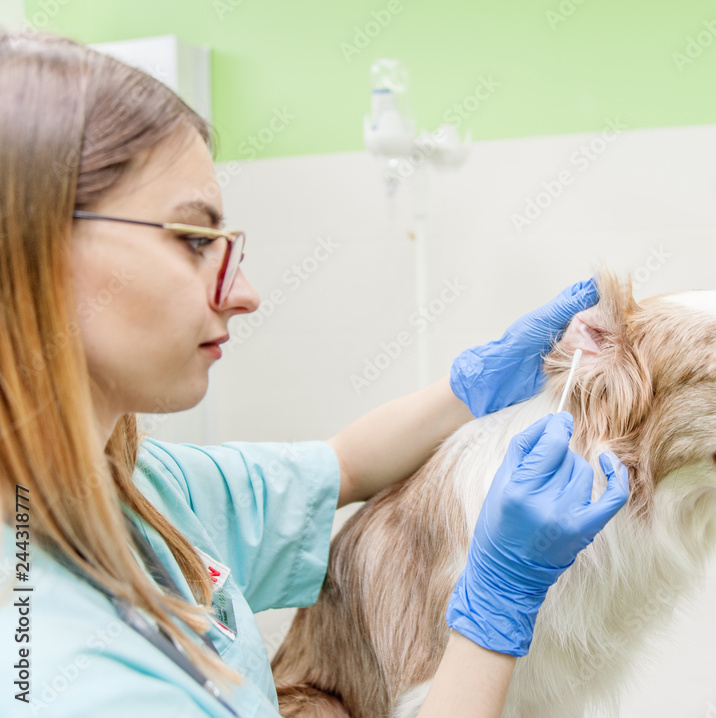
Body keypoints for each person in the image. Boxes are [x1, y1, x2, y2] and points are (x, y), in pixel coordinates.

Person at [0, 30, 629, 718]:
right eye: (193, 241)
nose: (244, 293)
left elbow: (340, 468)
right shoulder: (64, 678)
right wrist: (499, 605)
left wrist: (470, 385)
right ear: (28, 244)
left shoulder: (131, 489)